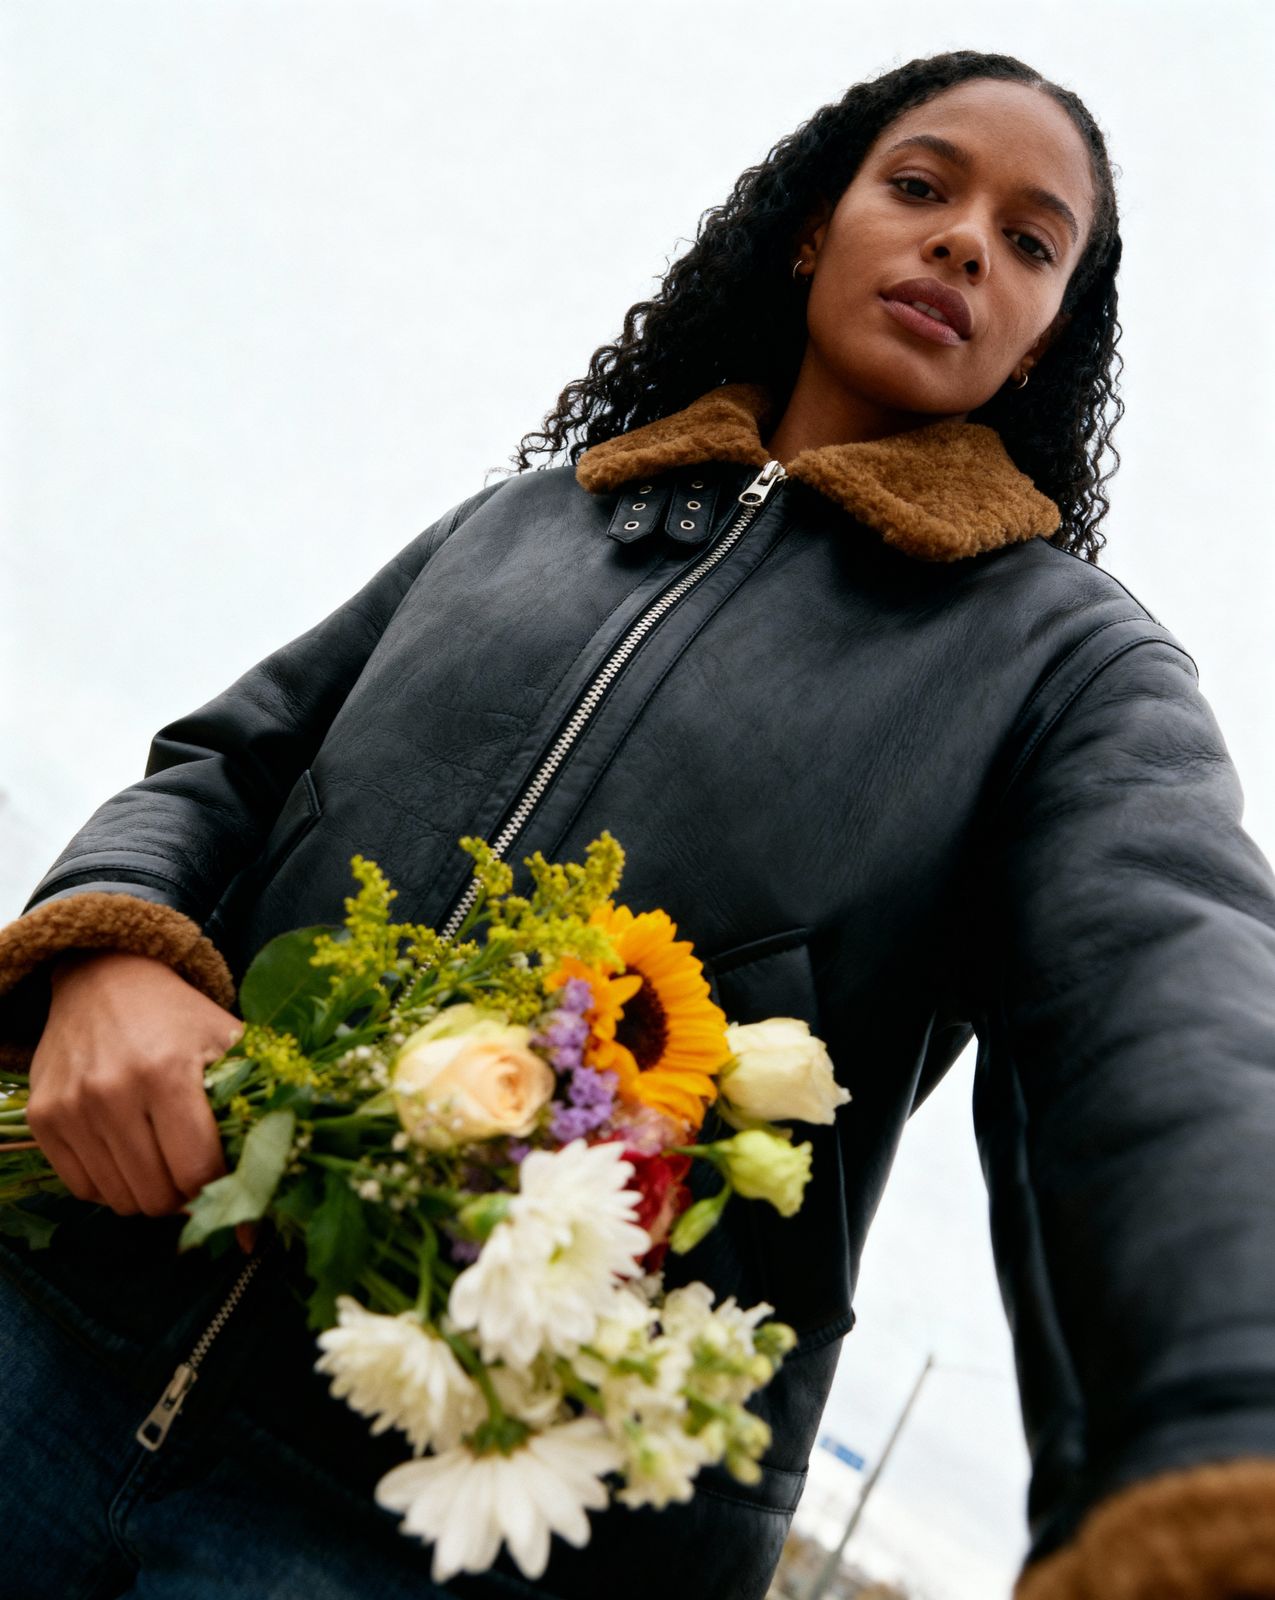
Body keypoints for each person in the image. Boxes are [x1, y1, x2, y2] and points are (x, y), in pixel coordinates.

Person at [1, 45, 1273, 1600]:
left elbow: (1171, 1002)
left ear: (1041, 344)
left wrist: (1223, 1428)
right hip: (50, 1328)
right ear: (815, 224)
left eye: (1030, 241)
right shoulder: (528, 520)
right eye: (924, 187)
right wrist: (109, 950)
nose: (963, 245)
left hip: (457, 1536)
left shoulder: (1067, 669)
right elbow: (224, 766)